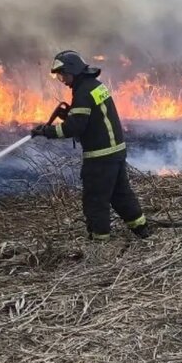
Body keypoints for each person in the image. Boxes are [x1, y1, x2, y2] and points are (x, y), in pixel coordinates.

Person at [31, 50, 153, 240]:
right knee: (121, 194)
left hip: (100, 158)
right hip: (116, 153)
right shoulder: (95, 86)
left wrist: (46, 132)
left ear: (72, 70)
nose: (62, 79)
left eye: (62, 74)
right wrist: (71, 114)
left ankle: (100, 242)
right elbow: (92, 116)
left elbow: (73, 128)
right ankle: (142, 230)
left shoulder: (83, 93)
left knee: (95, 200)